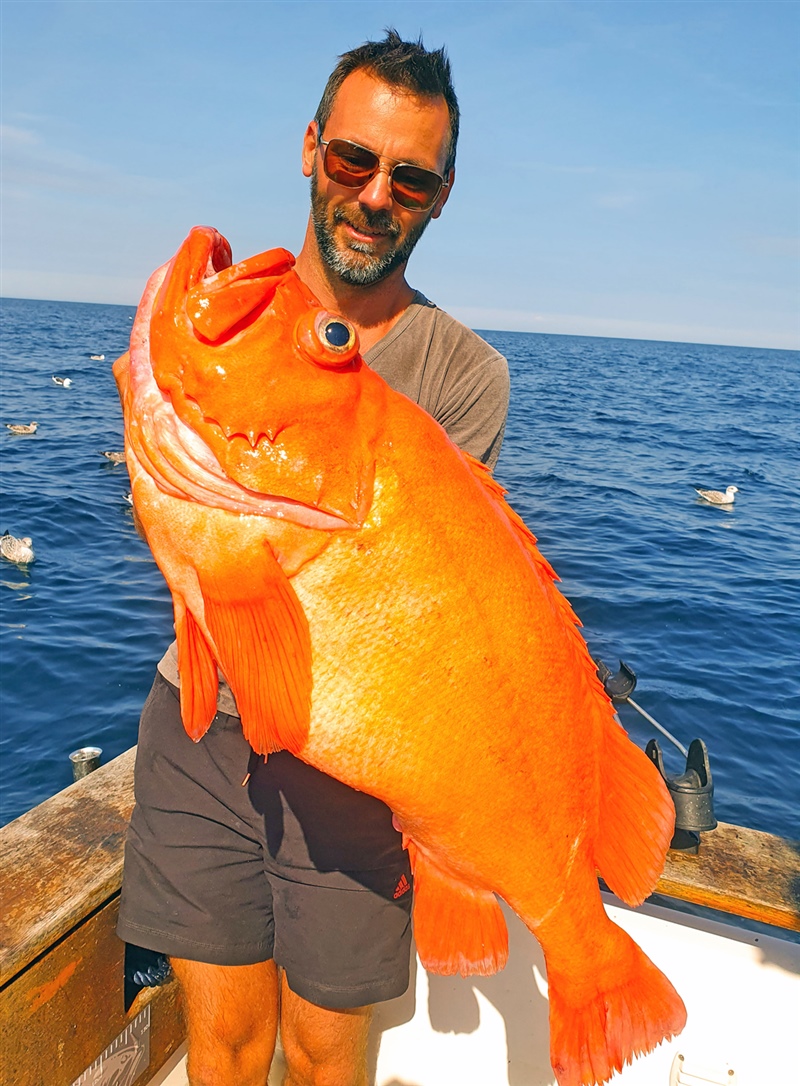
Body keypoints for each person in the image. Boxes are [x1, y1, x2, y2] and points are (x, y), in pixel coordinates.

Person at [117, 30, 509, 1086]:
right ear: (310, 149)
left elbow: (421, 607)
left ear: (439, 194)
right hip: (200, 724)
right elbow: (191, 518)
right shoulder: (237, 314)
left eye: (409, 176)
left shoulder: (463, 377)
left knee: (327, 1058)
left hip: (353, 761)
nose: (374, 194)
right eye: (352, 160)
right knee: (227, 1046)